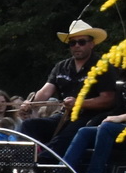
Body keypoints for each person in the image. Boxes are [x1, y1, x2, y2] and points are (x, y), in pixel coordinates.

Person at [21, 20, 119, 150]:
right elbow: (45, 91)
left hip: (90, 118)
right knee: (28, 125)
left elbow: (108, 99)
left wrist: (79, 103)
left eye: (82, 42)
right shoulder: (61, 66)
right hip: (63, 115)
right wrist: (30, 104)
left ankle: (46, 162)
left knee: (60, 141)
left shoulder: (104, 67)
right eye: (72, 43)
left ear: (92, 44)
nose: (77, 46)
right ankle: (22, 163)